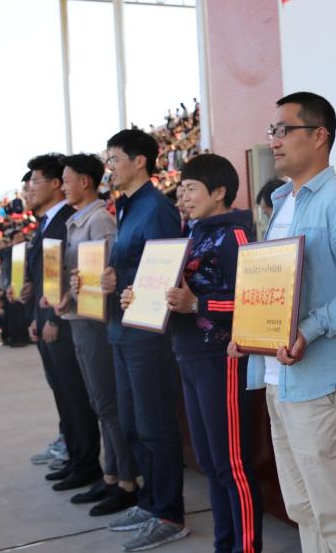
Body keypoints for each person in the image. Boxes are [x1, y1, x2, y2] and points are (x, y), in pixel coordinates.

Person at [230, 92, 336, 553]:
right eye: (272, 131)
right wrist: (249, 332)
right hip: (279, 381)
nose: (274, 141)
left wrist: (309, 329)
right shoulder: (283, 203)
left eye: (284, 130)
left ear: (320, 136)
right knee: (304, 509)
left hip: (324, 386)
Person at [156, 153, 264, 553]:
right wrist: (143, 298)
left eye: (192, 189)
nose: (183, 197)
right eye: (181, 189)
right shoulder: (191, 235)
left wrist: (197, 305)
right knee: (210, 465)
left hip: (223, 359)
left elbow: (254, 301)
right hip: (188, 355)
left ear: (219, 192)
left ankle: (246, 547)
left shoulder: (234, 236)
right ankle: (224, 545)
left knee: (232, 465)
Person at [101, 129, 189, 551]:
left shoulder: (156, 208)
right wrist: (113, 278)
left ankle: (169, 514)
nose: (110, 167)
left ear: (140, 161)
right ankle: (151, 502)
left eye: (115, 158)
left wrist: (126, 280)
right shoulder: (128, 206)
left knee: (155, 425)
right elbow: (132, 265)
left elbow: (165, 269)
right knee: (133, 423)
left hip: (148, 334)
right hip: (123, 328)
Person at [58, 153, 140, 516]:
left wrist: (84, 286)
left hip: (97, 321)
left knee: (108, 403)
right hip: (81, 317)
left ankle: (126, 481)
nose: (63, 187)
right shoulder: (77, 221)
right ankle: (111, 474)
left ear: (84, 182)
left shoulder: (99, 221)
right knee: (99, 402)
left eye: (66, 180)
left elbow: (109, 274)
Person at [25, 153, 102, 493]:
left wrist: (53, 317)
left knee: (75, 395)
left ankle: (86, 464)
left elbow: (70, 274)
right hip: (47, 316)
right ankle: (74, 457)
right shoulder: (46, 222)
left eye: (34, 181)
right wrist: (36, 313)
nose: (29, 188)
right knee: (62, 392)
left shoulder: (68, 221)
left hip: (65, 320)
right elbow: (45, 276)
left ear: (56, 184)